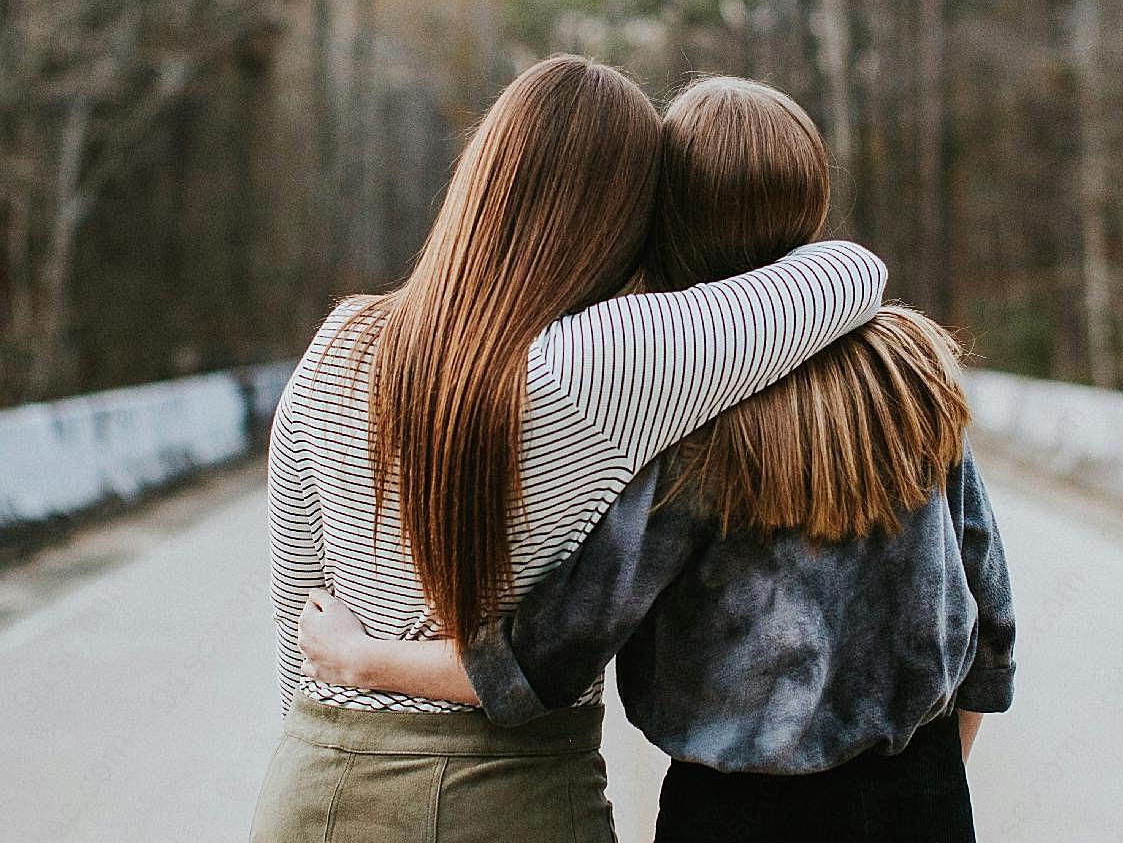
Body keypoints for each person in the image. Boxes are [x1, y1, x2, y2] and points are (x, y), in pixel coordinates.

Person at [299, 76, 1014, 843]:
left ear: (666, 216)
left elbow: (543, 658)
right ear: (811, 193)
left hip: (735, 816)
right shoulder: (913, 372)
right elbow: (990, 615)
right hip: (924, 794)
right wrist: (932, 783)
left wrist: (361, 658)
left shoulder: (689, 408)